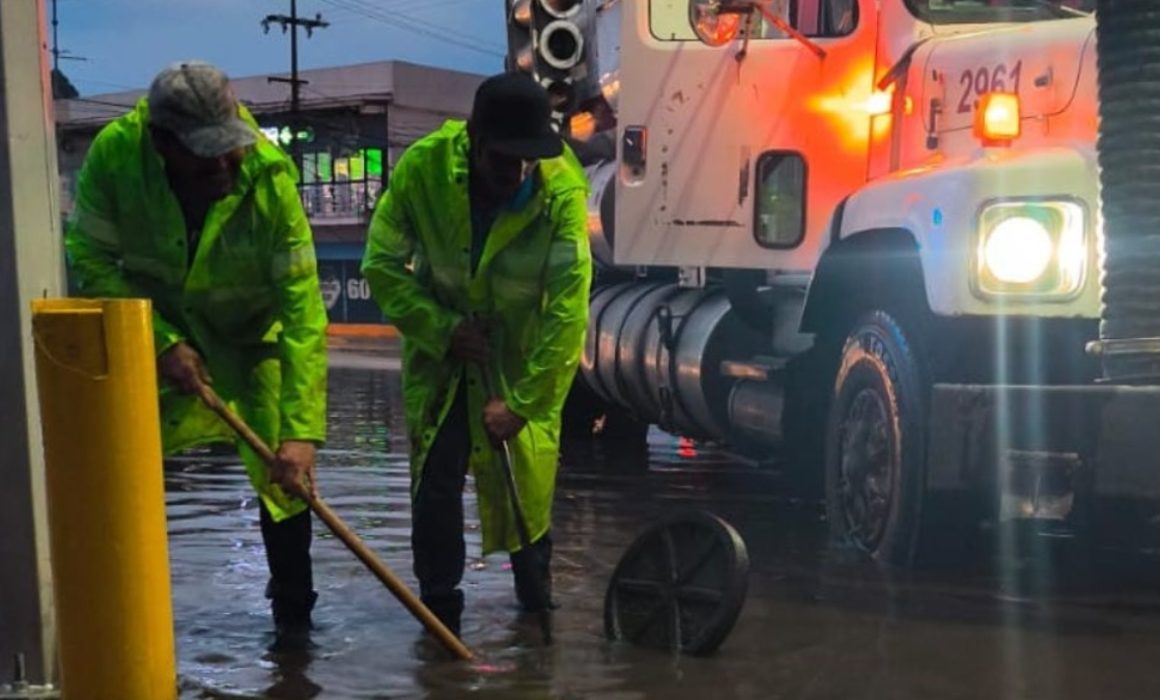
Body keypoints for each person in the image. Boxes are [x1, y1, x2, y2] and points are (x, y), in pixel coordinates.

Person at [65, 61, 328, 642]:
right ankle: (128, 627)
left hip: (250, 338)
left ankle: (294, 629)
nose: (226, 165)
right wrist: (162, 341)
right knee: (122, 472)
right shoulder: (115, 159)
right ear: (162, 145)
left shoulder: (267, 175)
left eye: (230, 147)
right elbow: (87, 257)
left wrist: (302, 432)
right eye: (207, 154)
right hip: (154, 330)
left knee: (287, 484)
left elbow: (304, 309)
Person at [361, 72, 592, 635]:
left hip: (520, 361)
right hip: (443, 363)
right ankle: (440, 619)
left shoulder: (560, 192)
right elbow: (381, 266)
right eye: (503, 160)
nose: (515, 175)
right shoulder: (423, 171)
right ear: (473, 139)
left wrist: (523, 404)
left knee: (527, 486)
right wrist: (441, 330)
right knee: (437, 485)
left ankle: (537, 613)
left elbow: (567, 311)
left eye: (526, 162)